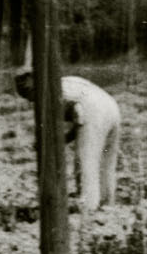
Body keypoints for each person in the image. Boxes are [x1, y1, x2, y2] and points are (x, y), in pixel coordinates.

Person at [14, 67, 121, 213]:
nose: (30, 100)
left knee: (85, 158)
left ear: (33, 83)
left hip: (93, 109)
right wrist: (64, 139)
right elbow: (78, 119)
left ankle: (88, 206)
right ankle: (107, 202)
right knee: (106, 158)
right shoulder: (62, 83)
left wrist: (53, 141)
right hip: (111, 106)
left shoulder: (49, 93)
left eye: (28, 93)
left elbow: (79, 114)